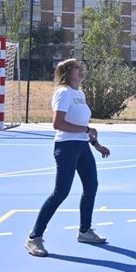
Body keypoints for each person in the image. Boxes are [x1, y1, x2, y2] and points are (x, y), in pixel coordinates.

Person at [25, 59, 111, 257]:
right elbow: (58, 124)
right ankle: (34, 238)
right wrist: (87, 129)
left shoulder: (79, 94)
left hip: (82, 146)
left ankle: (85, 231)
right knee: (61, 192)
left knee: (91, 187)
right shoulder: (63, 93)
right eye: (77, 68)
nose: (82, 70)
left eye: (82, 67)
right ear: (67, 73)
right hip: (66, 147)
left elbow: (81, 123)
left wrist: (96, 144)